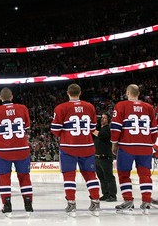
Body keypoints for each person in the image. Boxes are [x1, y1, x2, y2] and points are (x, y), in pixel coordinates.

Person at [50, 83, 100, 217]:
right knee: (90, 175)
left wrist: (65, 135)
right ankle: (96, 200)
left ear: (67, 93)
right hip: (87, 146)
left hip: (69, 147)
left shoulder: (61, 108)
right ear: (80, 92)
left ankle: (71, 203)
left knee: (69, 176)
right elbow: (92, 127)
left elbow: (55, 130)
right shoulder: (90, 107)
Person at [110, 84, 157, 214]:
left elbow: (116, 126)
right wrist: (149, 142)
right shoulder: (148, 107)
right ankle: (146, 201)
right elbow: (154, 129)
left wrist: (114, 143)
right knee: (145, 174)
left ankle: (128, 201)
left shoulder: (121, 105)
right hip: (145, 147)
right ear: (138, 94)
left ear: (128, 93)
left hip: (127, 146)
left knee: (124, 174)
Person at [0, 87, 33, 217]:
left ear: (0, 97)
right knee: (24, 177)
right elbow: (27, 127)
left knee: (4, 177)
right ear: (12, 96)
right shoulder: (22, 108)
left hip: (3, 150)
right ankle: (28, 203)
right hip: (21, 148)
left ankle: (7, 205)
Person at [92, 113, 117, 202]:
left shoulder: (108, 129)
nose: (102, 119)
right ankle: (105, 194)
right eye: (101, 117)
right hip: (97, 157)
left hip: (105, 157)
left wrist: (91, 129)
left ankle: (112, 195)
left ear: (108, 120)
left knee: (108, 176)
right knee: (101, 177)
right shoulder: (99, 128)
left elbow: (100, 135)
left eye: (104, 118)